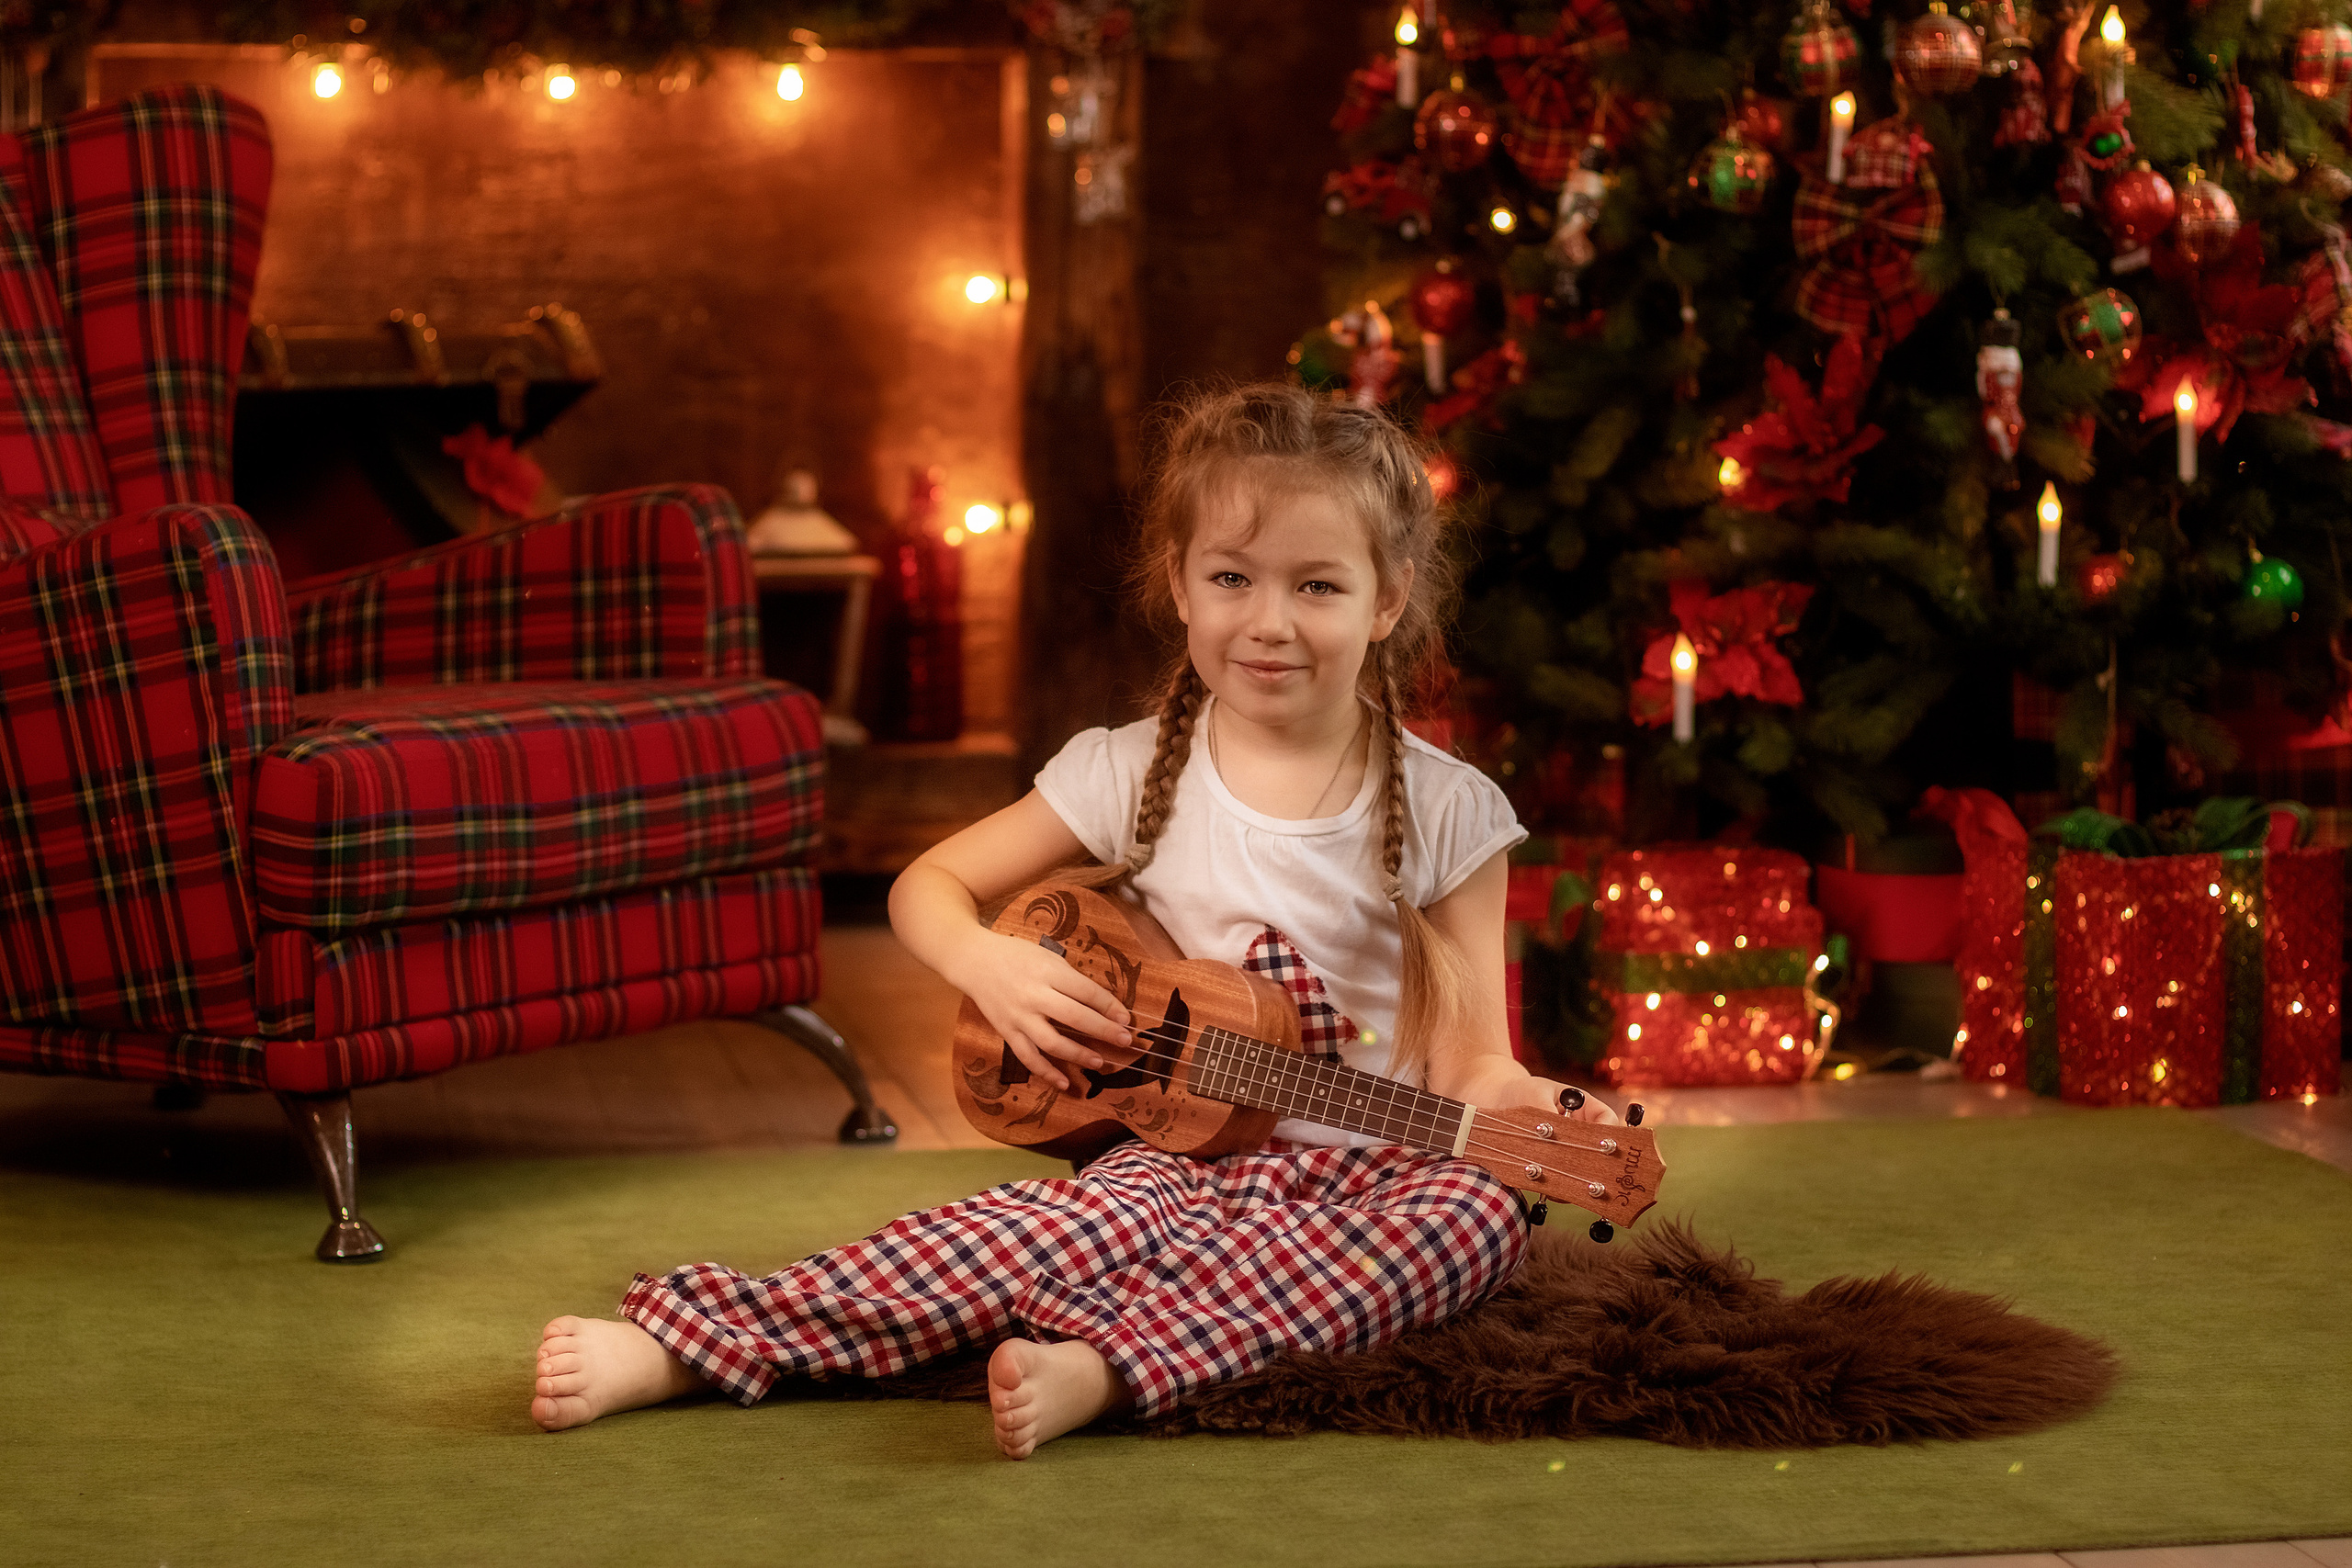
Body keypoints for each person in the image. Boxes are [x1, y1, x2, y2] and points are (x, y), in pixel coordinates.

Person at [529, 382, 1617, 1455]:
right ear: (1180, 586)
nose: (1269, 622)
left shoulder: (1452, 808)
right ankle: (690, 1343)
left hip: (1386, 1177)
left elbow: (1479, 1063)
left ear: (1388, 600)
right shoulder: (1125, 768)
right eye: (1231, 577)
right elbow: (928, 887)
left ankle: (1103, 1368)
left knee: (1475, 1225)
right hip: (1176, 1166)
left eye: (1318, 586)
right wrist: (985, 962)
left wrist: (1530, 1111)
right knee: (1022, 1232)